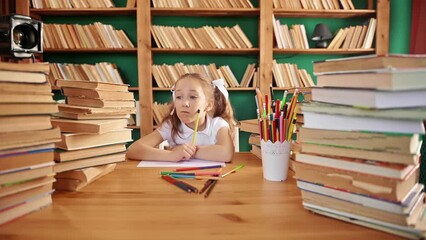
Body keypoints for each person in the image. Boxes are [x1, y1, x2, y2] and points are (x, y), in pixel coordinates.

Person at [126, 73, 236, 162]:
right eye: (179, 97)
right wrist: (171, 155)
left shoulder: (217, 124)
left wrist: (189, 151)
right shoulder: (171, 125)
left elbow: (226, 154)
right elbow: (133, 150)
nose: (185, 103)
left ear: (208, 105)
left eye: (193, 97)